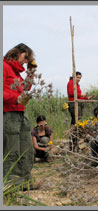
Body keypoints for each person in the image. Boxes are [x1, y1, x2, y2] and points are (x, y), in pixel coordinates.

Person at [3, 43, 35, 186]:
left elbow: (26, 87)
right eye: (25, 57)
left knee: (26, 149)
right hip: (8, 115)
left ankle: (25, 181)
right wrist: (15, 98)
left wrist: (31, 73)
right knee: (12, 151)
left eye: (28, 59)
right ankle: (12, 184)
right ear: (17, 52)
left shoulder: (17, 74)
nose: (26, 61)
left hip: (20, 114)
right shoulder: (3, 66)